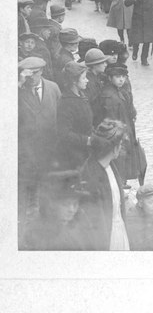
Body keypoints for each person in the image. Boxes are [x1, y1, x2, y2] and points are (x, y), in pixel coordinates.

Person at [18, 56, 63, 240]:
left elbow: (61, 116)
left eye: (35, 74)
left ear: (42, 72)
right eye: (28, 74)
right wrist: (19, 83)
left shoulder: (53, 88)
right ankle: (26, 231)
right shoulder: (18, 92)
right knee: (28, 193)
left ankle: (49, 228)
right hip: (27, 153)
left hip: (50, 151)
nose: (31, 78)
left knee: (49, 191)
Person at [79, 119, 130, 251]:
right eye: (120, 144)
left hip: (119, 230)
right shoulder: (91, 177)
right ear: (114, 149)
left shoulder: (110, 165)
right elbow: (96, 227)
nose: (121, 147)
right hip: (107, 239)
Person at [95, 64, 145, 185]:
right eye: (117, 77)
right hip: (118, 136)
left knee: (123, 161)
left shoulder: (117, 91)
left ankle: (122, 182)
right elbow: (112, 120)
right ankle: (121, 184)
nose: (121, 79)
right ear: (110, 78)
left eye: (123, 76)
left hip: (123, 132)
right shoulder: (110, 96)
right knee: (119, 161)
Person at [20, 170, 93, 251]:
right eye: (65, 204)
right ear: (51, 204)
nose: (72, 210)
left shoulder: (74, 231)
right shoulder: (36, 235)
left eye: (75, 204)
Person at [55, 61, 97, 170]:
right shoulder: (66, 103)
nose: (87, 80)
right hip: (73, 157)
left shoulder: (82, 96)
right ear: (74, 81)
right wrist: (87, 140)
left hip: (85, 152)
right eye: (83, 78)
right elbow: (64, 134)